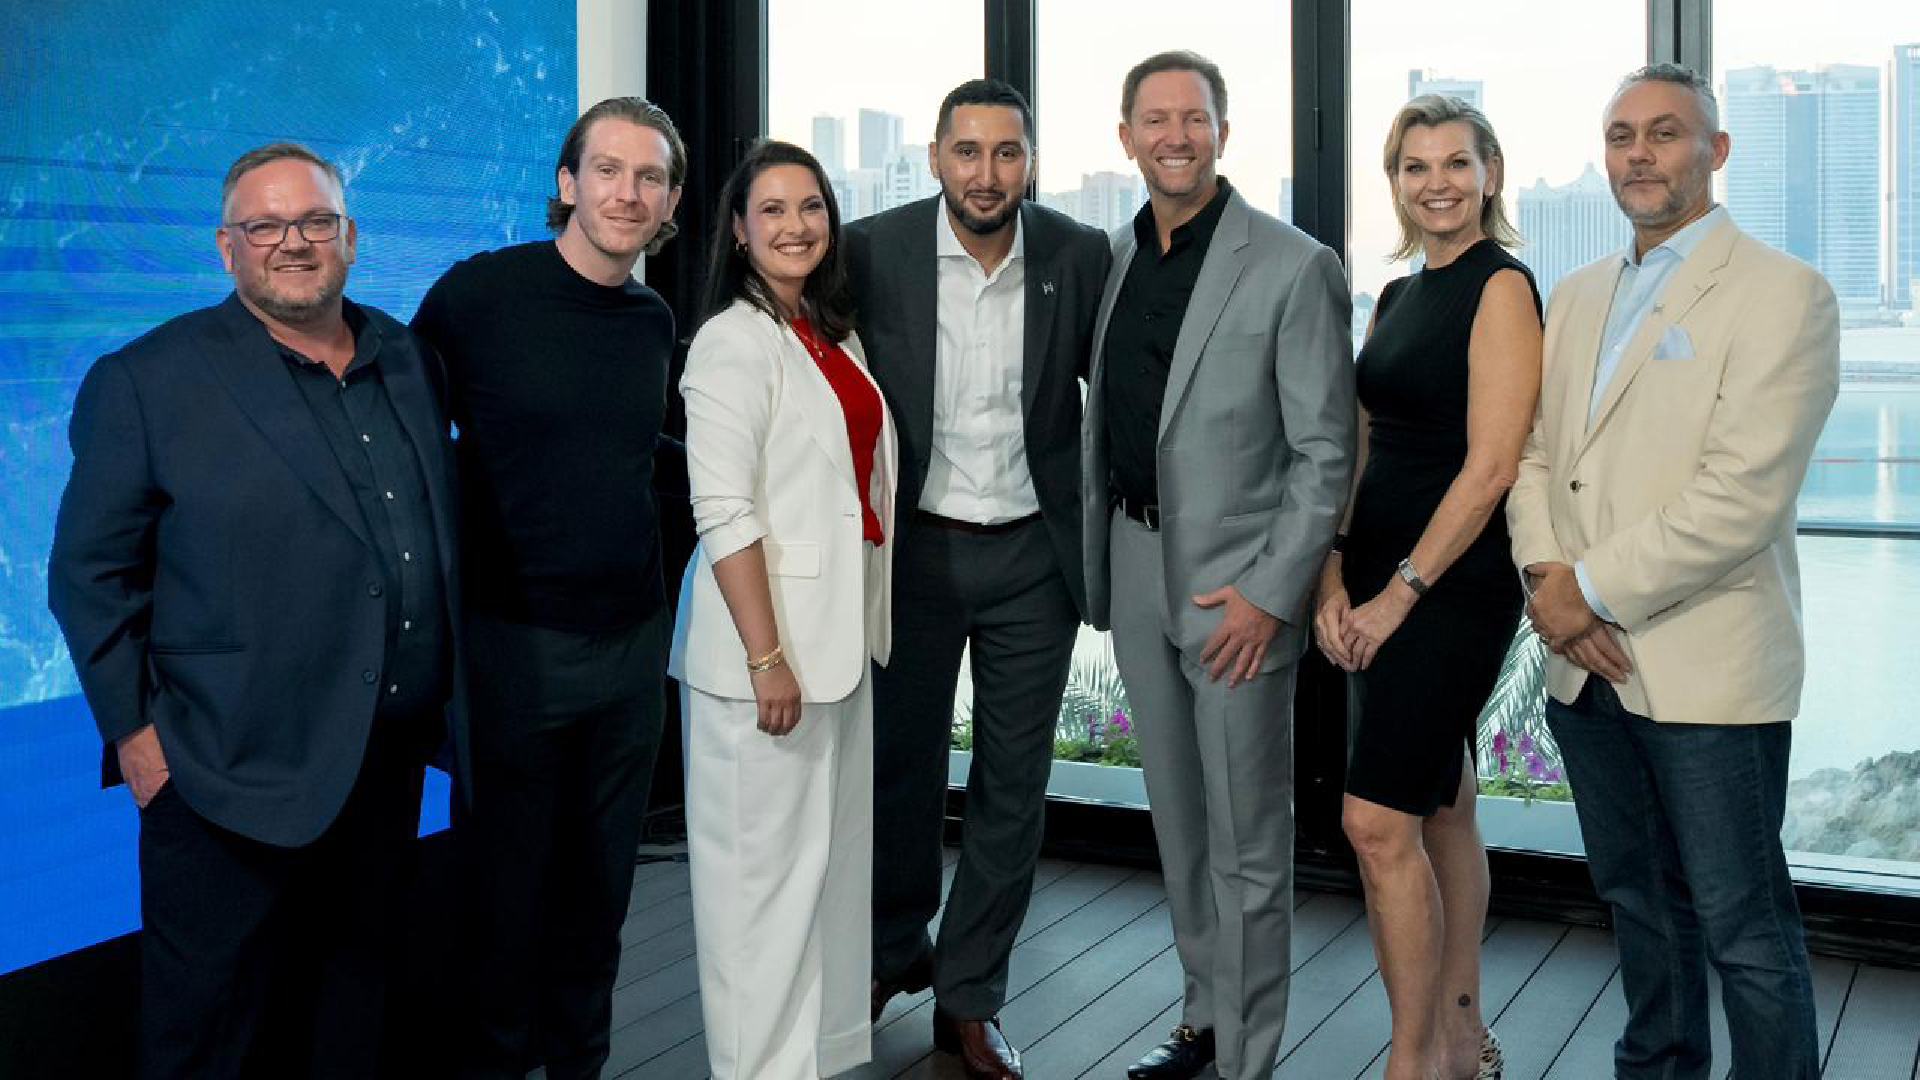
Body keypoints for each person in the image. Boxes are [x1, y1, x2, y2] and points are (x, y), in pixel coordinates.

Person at [48, 142, 460, 1079]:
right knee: (209, 1035)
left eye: (315, 221)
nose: (293, 242)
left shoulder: (407, 357)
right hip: (223, 771)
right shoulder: (149, 380)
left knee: (351, 1011)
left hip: (382, 759)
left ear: (350, 237)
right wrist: (137, 738)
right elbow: (87, 572)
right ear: (225, 246)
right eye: (265, 226)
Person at [1506, 64, 1839, 1080]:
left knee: (1745, 928)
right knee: (1639, 908)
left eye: (1664, 132)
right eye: (1621, 136)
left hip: (1707, 670)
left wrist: (1585, 591)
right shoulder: (1574, 294)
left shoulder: (1785, 294)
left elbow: (1741, 497)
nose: (1639, 154)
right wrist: (1549, 582)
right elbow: (1535, 457)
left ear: (1716, 151)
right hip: (1583, 666)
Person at [1082, 51, 1356, 1080]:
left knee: (1247, 841)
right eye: (1155, 119)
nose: (1175, 136)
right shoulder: (1113, 257)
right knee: (1180, 825)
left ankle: (1249, 1058)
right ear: (1126, 138)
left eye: (1193, 118)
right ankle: (1204, 1017)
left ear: (1223, 133)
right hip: (1135, 563)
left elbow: (1326, 452)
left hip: (1237, 588)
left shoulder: (1293, 265)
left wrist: (1271, 597)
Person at [410, 97, 684, 1079]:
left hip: (631, 653)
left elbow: (633, 458)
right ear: (567, 184)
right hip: (512, 651)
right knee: (505, 902)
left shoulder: (653, 321)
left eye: (649, 177)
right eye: (608, 170)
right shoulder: (480, 296)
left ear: (670, 203)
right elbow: (404, 439)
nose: (627, 192)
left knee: (598, 901)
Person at [843, 78, 1110, 1080]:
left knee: (1013, 784)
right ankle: (892, 951)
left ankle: (970, 995)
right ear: (935, 158)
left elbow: (1121, 393)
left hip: (1033, 559)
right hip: (914, 551)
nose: (986, 173)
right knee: (895, 768)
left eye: (1007, 152)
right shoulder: (872, 250)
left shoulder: (1078, 255)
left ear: (1030, 161)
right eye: (968, 151)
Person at [1313, 95, 1541, 1080]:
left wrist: (1397, 595)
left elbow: (1491, 469)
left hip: (1450, 588)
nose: (1437, 183)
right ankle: (1459, 1035)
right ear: (1396, 181)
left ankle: (1412, 1063)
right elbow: (1363, 445)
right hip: (1373, 573)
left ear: (1491, 174)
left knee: (1375, 822)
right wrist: (1333, 569)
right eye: (1416, 166)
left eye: (1456, 163)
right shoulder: (1398, 295)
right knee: (1443, 806)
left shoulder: (1503, 288)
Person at [668, 139, 896, 1080]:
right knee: (757, 903)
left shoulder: (827, 332)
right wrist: (768, 657)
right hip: (765, 661)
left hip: (837, 645)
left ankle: (817, 1064)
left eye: (811, 207)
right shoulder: (732, 342)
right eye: (772, 209)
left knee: (828, 886)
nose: (796, 226)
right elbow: (723, 511)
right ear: (737, 229)